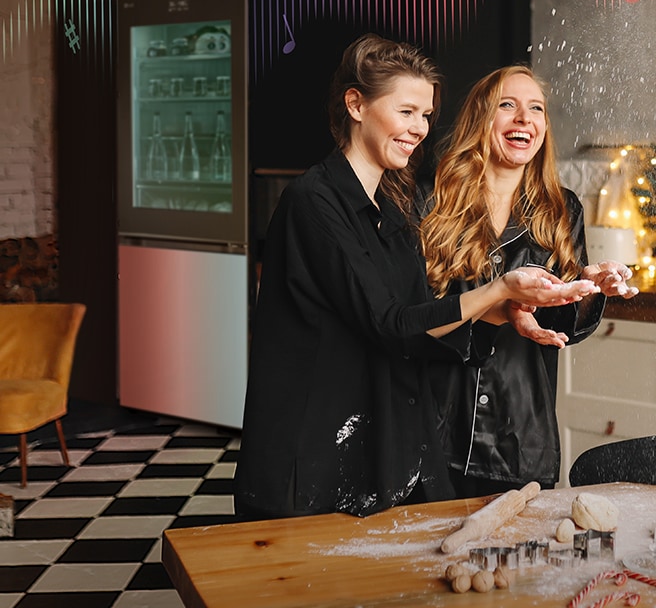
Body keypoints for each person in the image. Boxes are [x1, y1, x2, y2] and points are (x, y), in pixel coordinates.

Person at [234, 37, 598, 521]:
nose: (419, 129)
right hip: (308, 460)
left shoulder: (390, 208)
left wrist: (504, 314)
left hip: (374, 450)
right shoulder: (313, 202)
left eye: (425, 115)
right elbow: (391, 323)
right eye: (407, 111)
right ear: (355, 104)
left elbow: (419, 326)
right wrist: (500, 291)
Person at [419, 64, 637, 498]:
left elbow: (563, 329)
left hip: (518, 437)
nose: (524, 118)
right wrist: (498, 306)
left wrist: (587, 287)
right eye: (508, 105)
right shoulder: (430, 199)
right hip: (433, 429)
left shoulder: (561, 208)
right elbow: (410, 318)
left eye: (535, 108)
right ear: (481, 119)